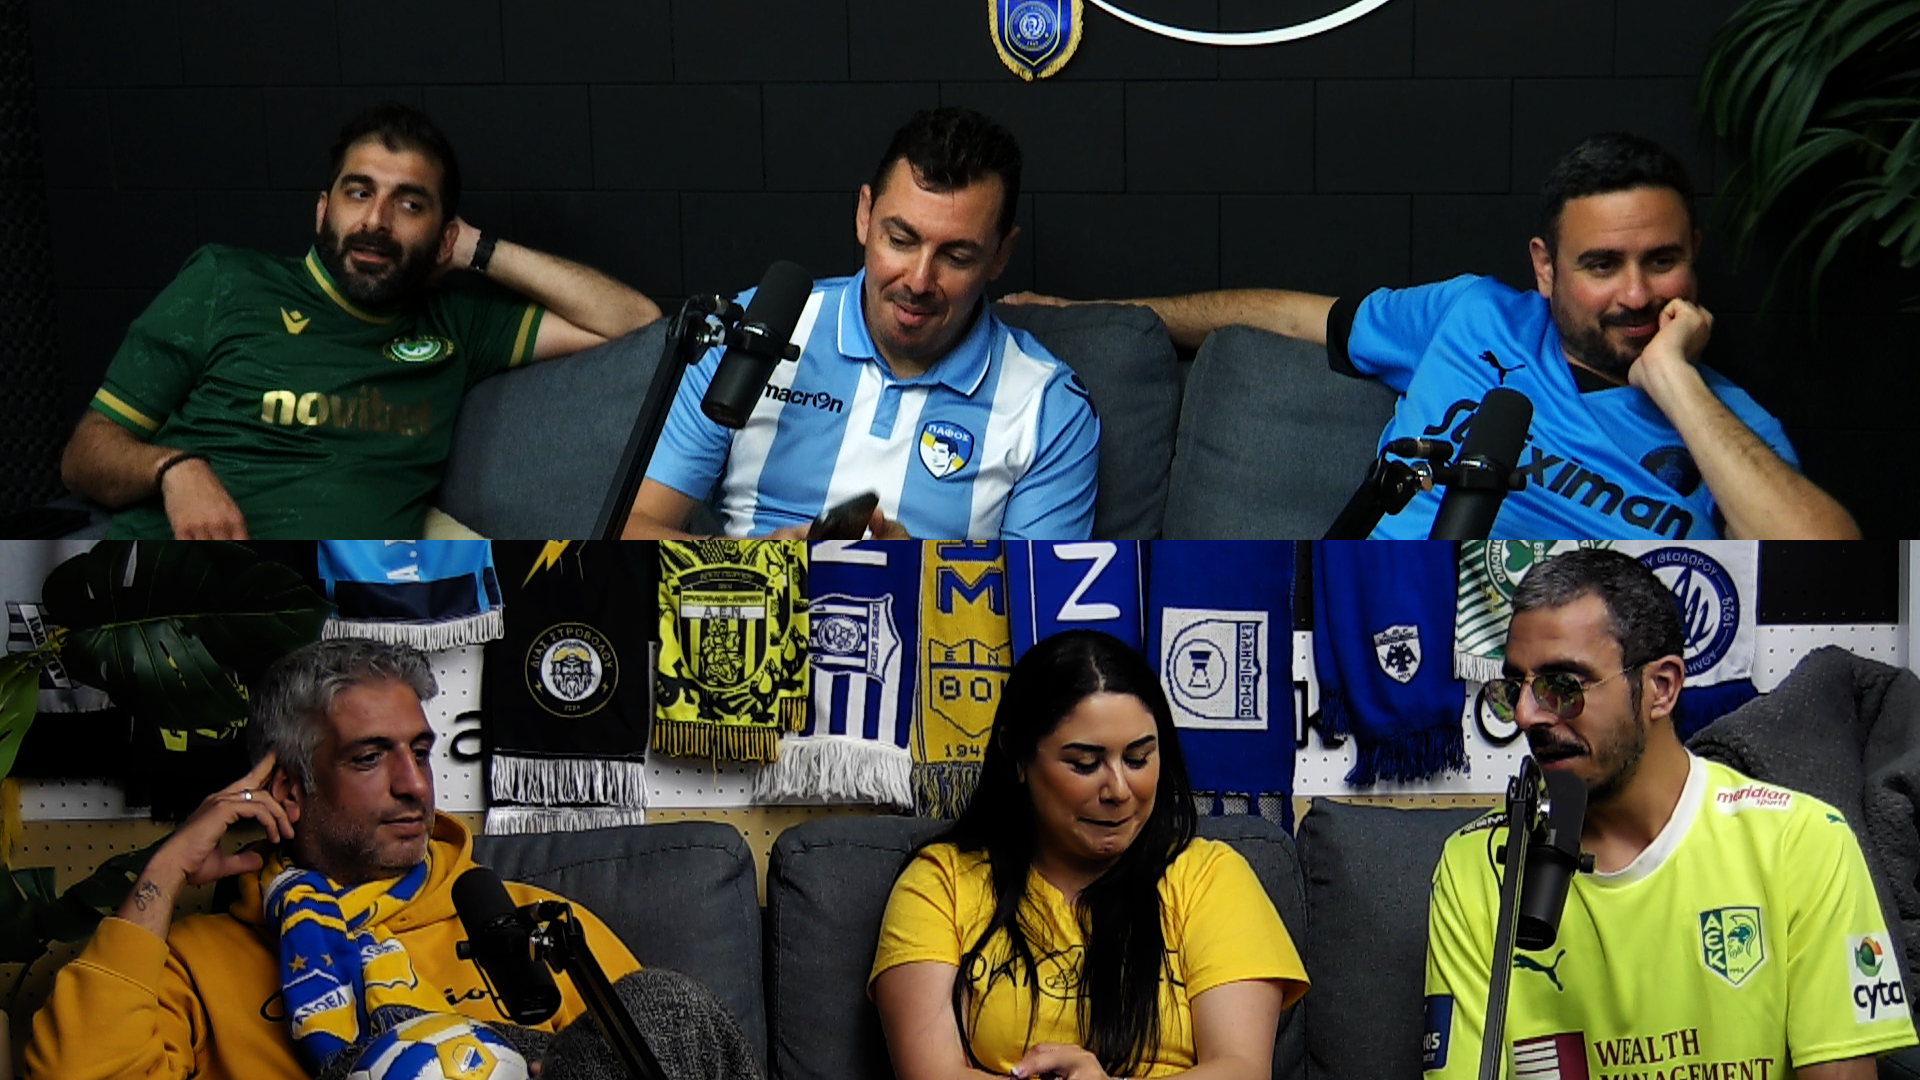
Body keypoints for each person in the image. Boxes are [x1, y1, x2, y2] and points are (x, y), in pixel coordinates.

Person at [1007, 133, 1857, 540]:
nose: (1636, 294)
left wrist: (1673, 382)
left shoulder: (1729, 429)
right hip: (1385, 632)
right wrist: (1099, 312)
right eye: (1601, 265)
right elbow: (1294, 315)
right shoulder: (1472, 316)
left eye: (1661, 261)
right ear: (1545, 267)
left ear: (1694, 255)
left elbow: (1825, 568)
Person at [27, 638, 644, 1080]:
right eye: (369, 758)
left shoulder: (538, 924)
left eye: (420, 752)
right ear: (289, 791)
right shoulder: (197, 962)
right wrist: (164, 872)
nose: (416, 785)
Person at [61, 101, 663, 541]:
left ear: (442, 234)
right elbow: (85, 455)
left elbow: (634, 321)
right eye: (358, 193)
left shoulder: (456, 326)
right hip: (182, 588)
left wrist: (475, 249)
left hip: (349, 623)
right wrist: (174, 468)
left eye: (410, 204)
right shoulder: (225, 282)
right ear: (323, 210)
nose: (376, 221)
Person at [1422, 550, 1915, 1080]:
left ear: (1660, 688)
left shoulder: (1803, 843)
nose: (1525, 715)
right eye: (1515, 688)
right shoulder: (1475, 867)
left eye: (1562, 687)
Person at [623, 107, 1100, 541]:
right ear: (864, 215)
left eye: (956, 256)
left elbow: (1038, 601)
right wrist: (760, 565)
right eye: (900, 240)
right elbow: (630, 531)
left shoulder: (1048, 406)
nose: (918, 280)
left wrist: (912, 573)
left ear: (1000, 255)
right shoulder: (756, 329)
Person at [870, 630, 1308, 1080]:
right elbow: (931, 1074)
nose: (1118, 790)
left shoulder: (1209, 878)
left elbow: (1241, 1069)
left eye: (1138, 759)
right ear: (1016, 756)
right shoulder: (943, 882)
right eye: (1084, 763)